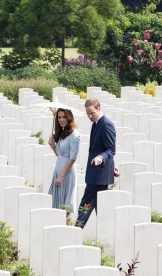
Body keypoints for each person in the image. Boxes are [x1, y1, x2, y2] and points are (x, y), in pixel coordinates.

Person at [75, 97, 116, 228]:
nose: (89, 116)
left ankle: (76, 229)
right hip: (98, 173)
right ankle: (106, 234)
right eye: (87, 113)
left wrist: (101, 158)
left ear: (99, 108)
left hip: (99, 175)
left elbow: (111, 149)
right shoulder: (96, 124)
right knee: (100, 208)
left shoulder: (106, 124)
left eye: (92, 113)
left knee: (86, 203)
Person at [48, 106, 81, 213]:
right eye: (59, 117)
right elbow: (60, 155)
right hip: (58, 169)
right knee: (55, 203)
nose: (61, 120)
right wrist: (53, 146)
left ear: (69, 118)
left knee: (64, 205)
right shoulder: (63, 133)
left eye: (64, 117)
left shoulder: (74, 135)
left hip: (66, 173)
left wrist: (61, 176)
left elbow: (72, 158)